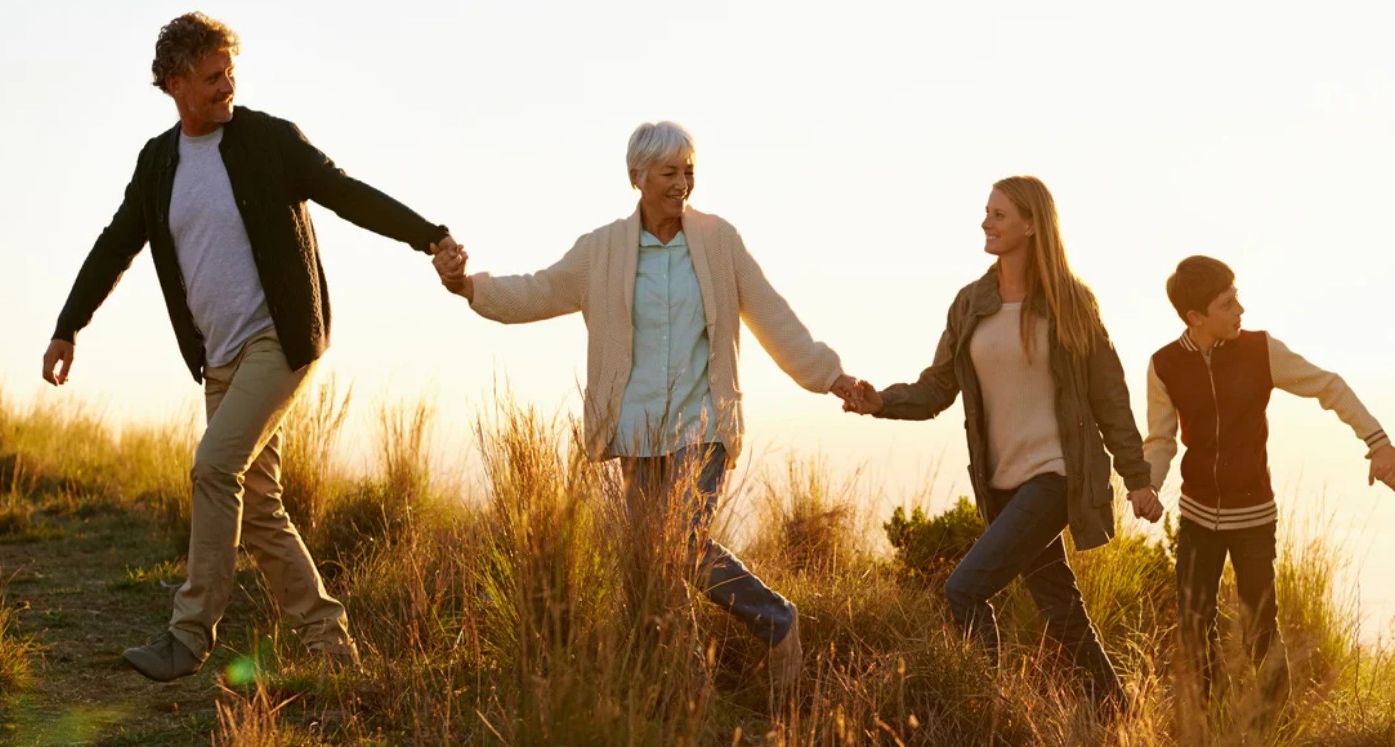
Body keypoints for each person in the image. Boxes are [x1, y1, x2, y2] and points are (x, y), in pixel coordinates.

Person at [41, 12, 455, 682]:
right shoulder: (158, 164)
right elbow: (116, 244)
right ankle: (334, 647)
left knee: (213, 470)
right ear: (175, 84)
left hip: (280, 341)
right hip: (220, 358)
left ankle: (188, 635)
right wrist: (68, 326)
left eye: (230, 71)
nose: (226, 85)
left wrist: (428, 236)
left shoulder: (269, 141)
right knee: (259, 512)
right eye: (211, 76)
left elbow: (346, 194)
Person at [430, 121, 857, 689]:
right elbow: (535, 290)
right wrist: (467, 287)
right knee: (649, 569)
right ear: (638, 177)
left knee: (681, 544)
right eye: (669, 172)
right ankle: (681, 682)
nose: (683, 183)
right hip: (636, 430)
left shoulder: (718, 242)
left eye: (689, 171)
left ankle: (777, 622)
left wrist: (831, 376)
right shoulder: (602, 250)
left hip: (702, 423)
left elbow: (772, 315)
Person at [843, 176, 1161, 712]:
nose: (986, 223)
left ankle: (985, 710)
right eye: (986, 213)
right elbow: (938, 387)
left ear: (1032, 225)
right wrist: (882, 402)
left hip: (1056, 477)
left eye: (999, 215)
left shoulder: (1072, 304)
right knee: (1061, 610)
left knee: (962, 590)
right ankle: (1119, 713)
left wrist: (1137, 480)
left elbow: (1110, 398)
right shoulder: (970, 304)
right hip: (1004, 488)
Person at [1144, 255, 1395, 706]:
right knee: (1192, 625)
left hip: (1254, 516)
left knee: (1260, 629)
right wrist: (1147, 486)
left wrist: (1378, 444)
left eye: (1236, 297)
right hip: (1197, 517)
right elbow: (1160, 439)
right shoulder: (1164, 365)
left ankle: (1274, 724)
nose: (1240, 309)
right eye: (1228, 303)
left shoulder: (1260, 351)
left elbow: (1329, 386)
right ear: (1195, 317)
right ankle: (1209, 722)